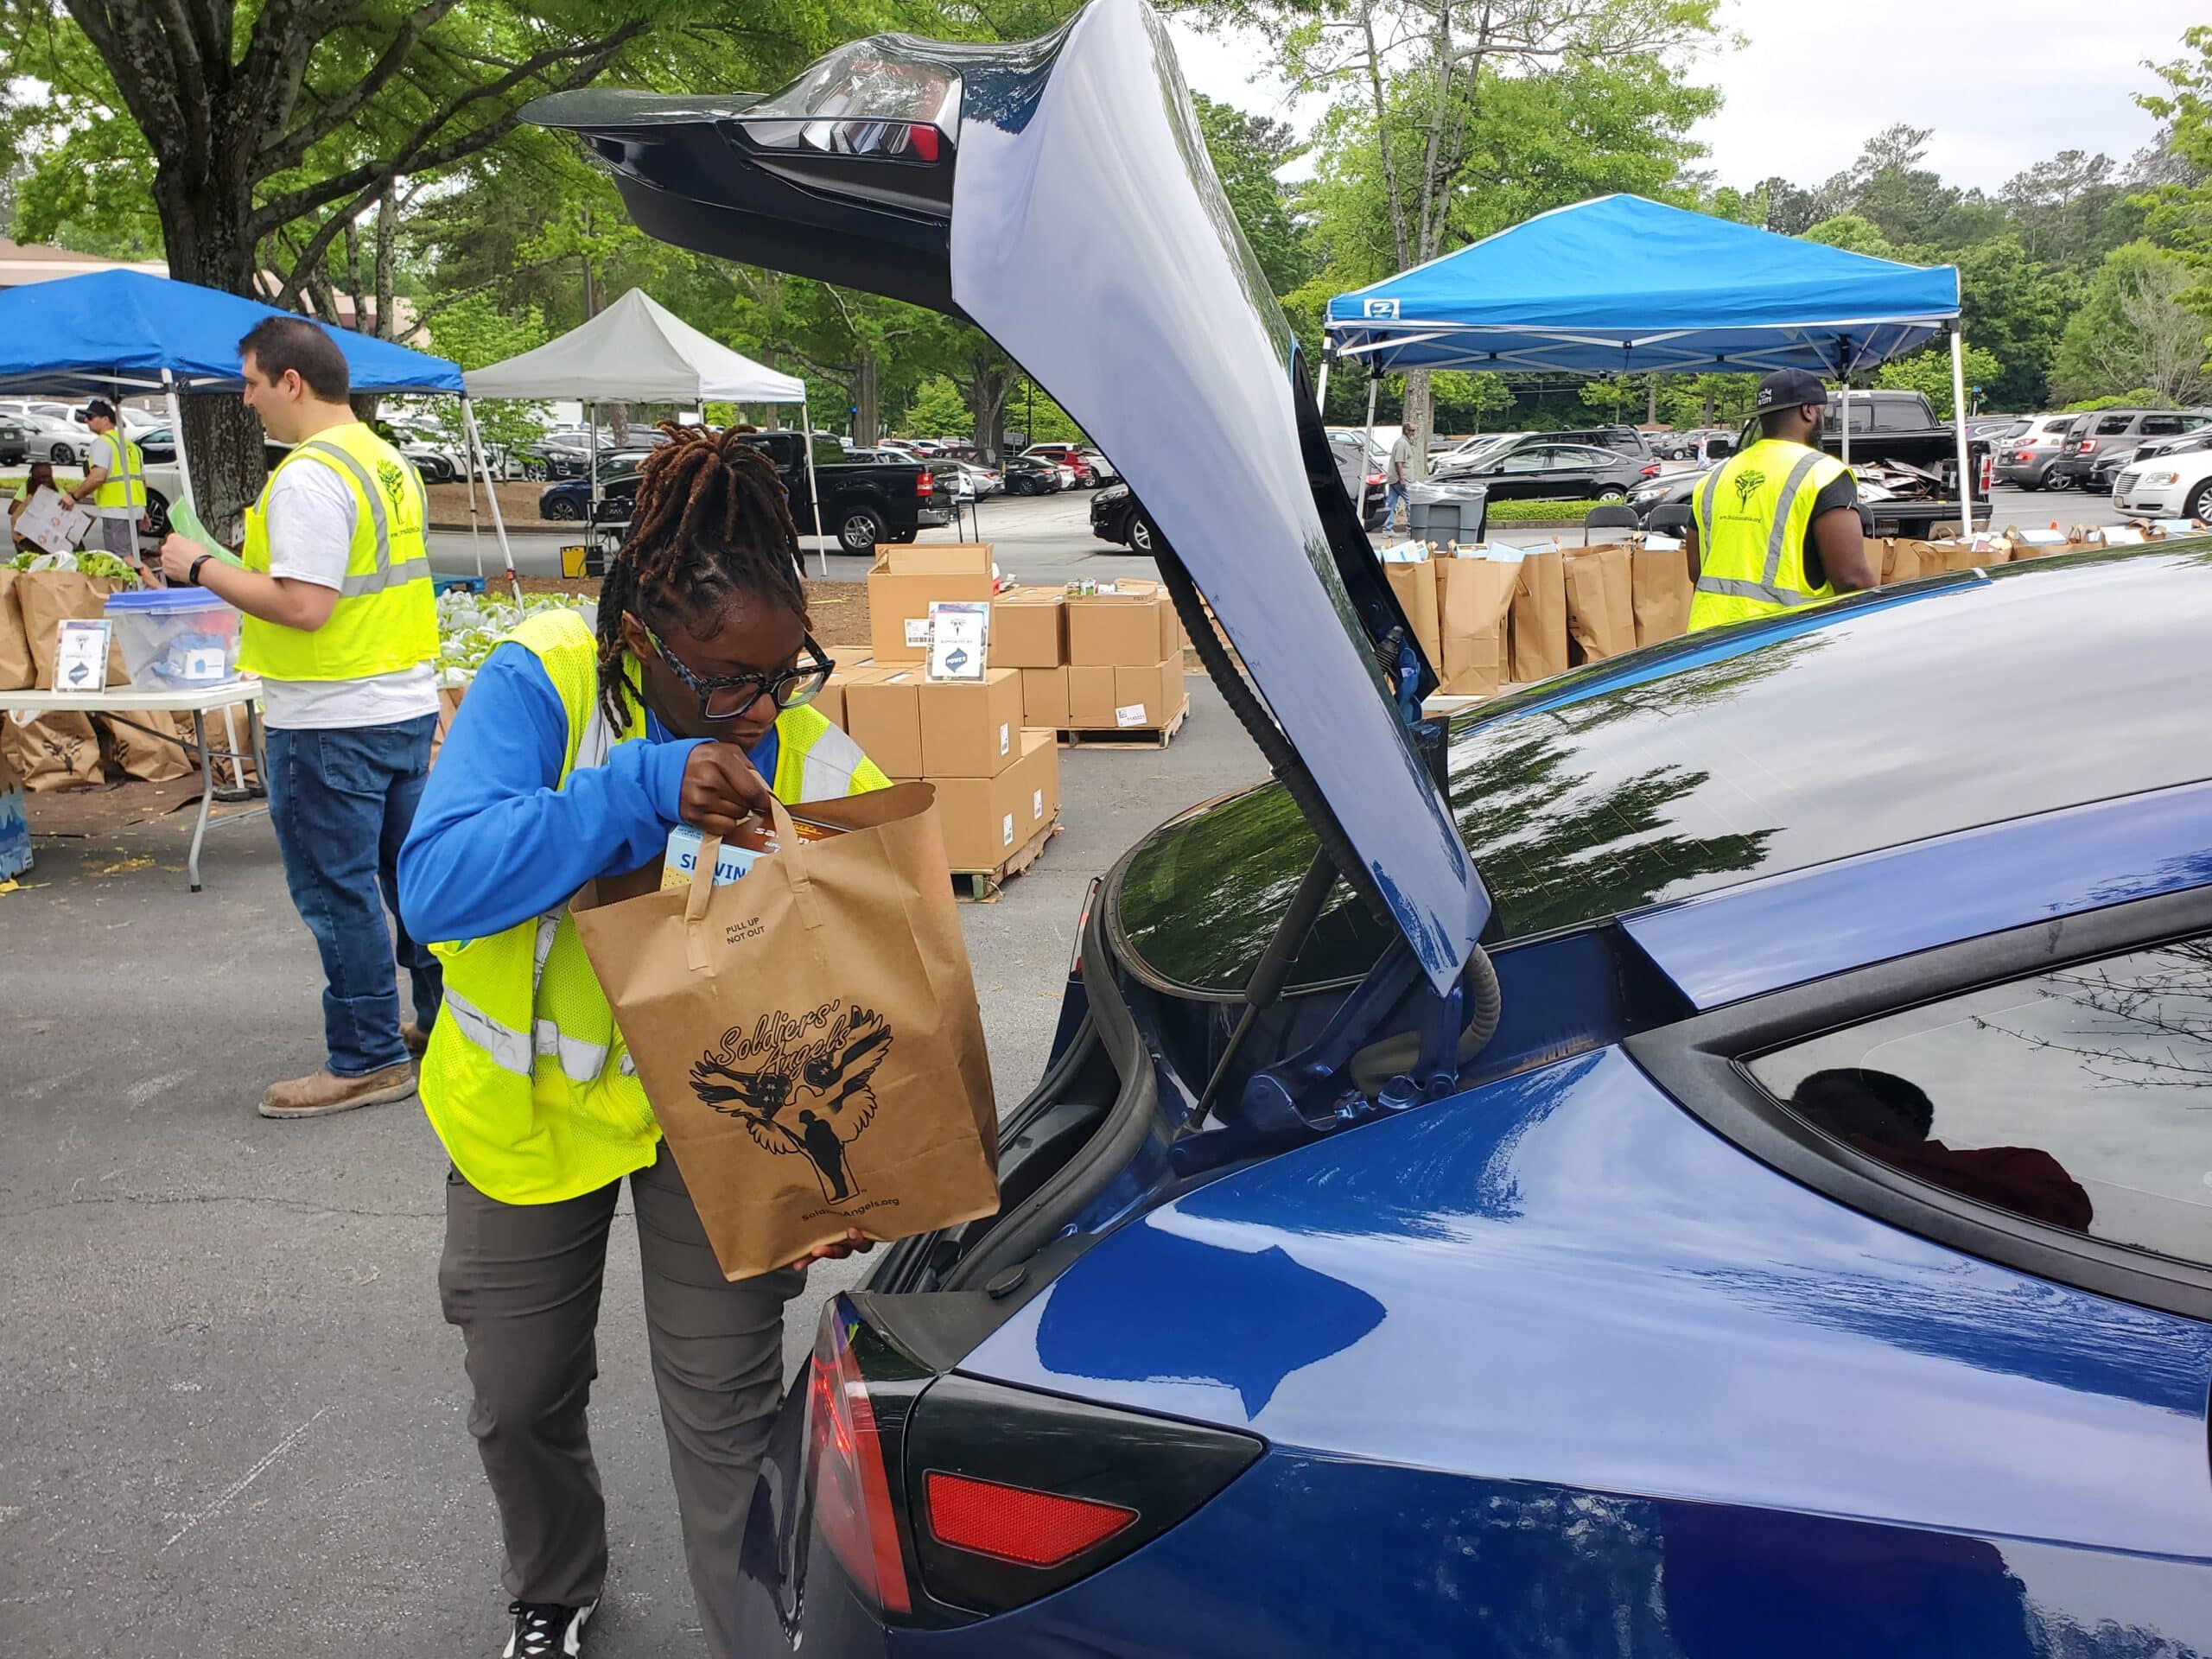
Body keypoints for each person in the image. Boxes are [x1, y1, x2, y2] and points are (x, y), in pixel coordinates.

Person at [396, 423, 889, 1659]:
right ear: (638, 643)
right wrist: (635, 793)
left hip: (720, 1125)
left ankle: (756, 1633)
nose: (762, 707)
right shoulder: (543, 683)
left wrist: (862, 1170)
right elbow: (437, 888)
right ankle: (552, 1592)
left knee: (726, 1415)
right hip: (528, 1122)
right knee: (520, 1399)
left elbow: (890, 963)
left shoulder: (802, 743)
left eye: (786, 672)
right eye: (728, 681)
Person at [157, 315, 442, 1120]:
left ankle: (366, 1058)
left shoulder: (311, 476)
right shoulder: (386, 463)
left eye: (249, 382)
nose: (245, 400)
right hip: (398, 703)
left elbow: (305, 607)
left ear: (292, 382)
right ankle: (446, 1019)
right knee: (404, 879)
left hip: (327, 718)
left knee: (337, 891)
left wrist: (200, 565)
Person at [1789, 1067, 2094, 1233]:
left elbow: (2058, 1217)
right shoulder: (1798, 1177)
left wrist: (1852, 1148)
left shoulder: (2012, 1162)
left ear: (1905, 1112)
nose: (1817, 1116)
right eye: (1806, 1109)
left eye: (1832, 1103)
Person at [1684, 368, 1874, 632]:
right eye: (1823, 412)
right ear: (1808, 411)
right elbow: (1851, 578)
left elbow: (1696, 570)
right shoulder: (1822, 474)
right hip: (1784, 647)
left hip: (1707, 641)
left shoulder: (1715, 478)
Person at [60, 399, 150, 563]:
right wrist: (143, 510)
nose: (87, 421)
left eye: (91, 417)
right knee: (132, 554)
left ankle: (141, 585)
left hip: (116, 510)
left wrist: (73, 497)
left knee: (122, 558)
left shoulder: (102, 443)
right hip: (135, 509)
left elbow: (97, 477)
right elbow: (142, 481)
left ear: (106, 420)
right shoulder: (132, 446)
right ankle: (138, 585)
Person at [10, 459, 57, 550]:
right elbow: (13, 510)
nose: (46, 480)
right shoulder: (26, 488)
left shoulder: (58, 490)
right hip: (28, 537)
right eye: (42, 477)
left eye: (49, 476)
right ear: (34, 477)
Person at [1386, 421, 1415, 531]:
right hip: (1401, 479)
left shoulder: (1403, 442)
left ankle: (1388, 528)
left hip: (1395, 479)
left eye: (1414, 430)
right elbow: (1399, 462)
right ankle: (1411, 527)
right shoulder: (1402, 443)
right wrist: (1402, 478)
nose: (1413, 433)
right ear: (1406, 430)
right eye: (1412, 430)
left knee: (1391, 503)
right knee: (1411, 502)